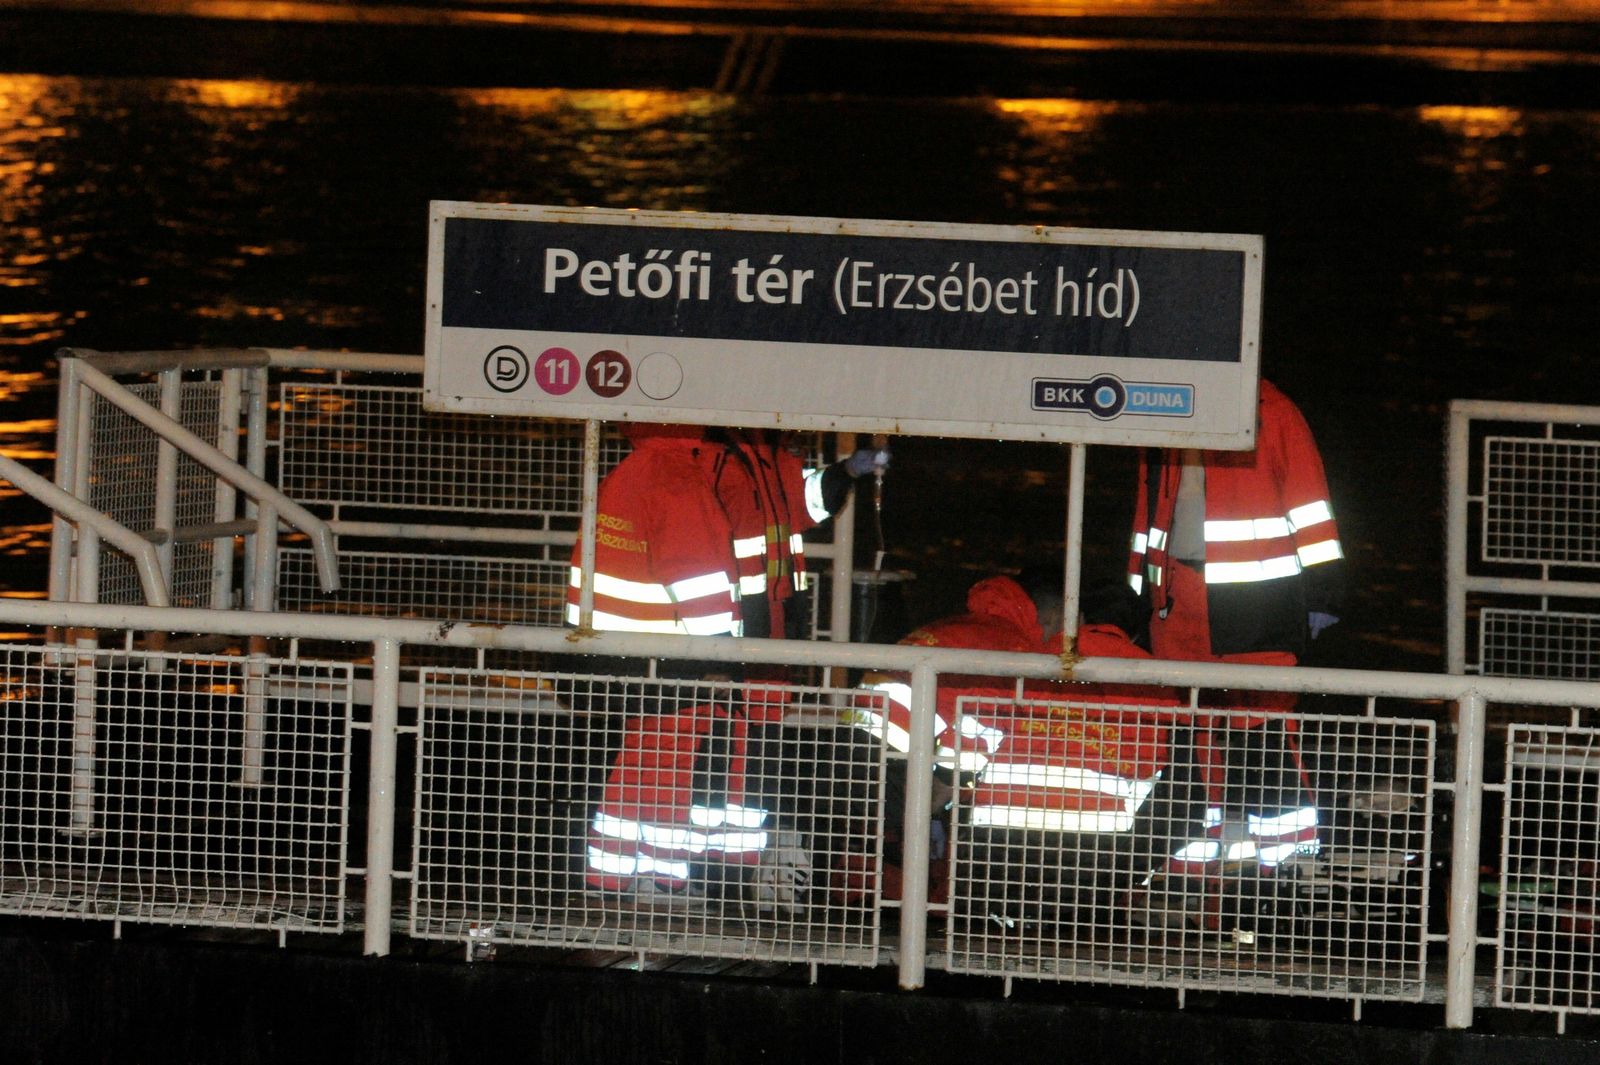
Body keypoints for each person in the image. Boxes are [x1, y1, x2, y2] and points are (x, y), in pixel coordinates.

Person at [565, 423, 772, 900]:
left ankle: (611, 877)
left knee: (640, 768)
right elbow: (697, 577)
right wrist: (721, 653)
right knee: (667, 775)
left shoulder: (632, 471)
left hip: (623, 654)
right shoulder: (679, 480)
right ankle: (662, 882)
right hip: (673, 659)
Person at [1126, 378, 1347, 702]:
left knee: (1260, 723)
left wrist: (1323, 595)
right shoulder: (1163, 406)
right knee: (1180, 720)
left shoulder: (1272, 412)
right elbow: (1147, 516)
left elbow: (1310, 506)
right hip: (1176, 606)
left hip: (1260, 611)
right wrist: (1134, 598)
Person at [702, 428, 887, 640]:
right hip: (736, 616)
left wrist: (846, 472)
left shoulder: (772, 446)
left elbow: (798, 502)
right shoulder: (713, 448)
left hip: (776, 609)